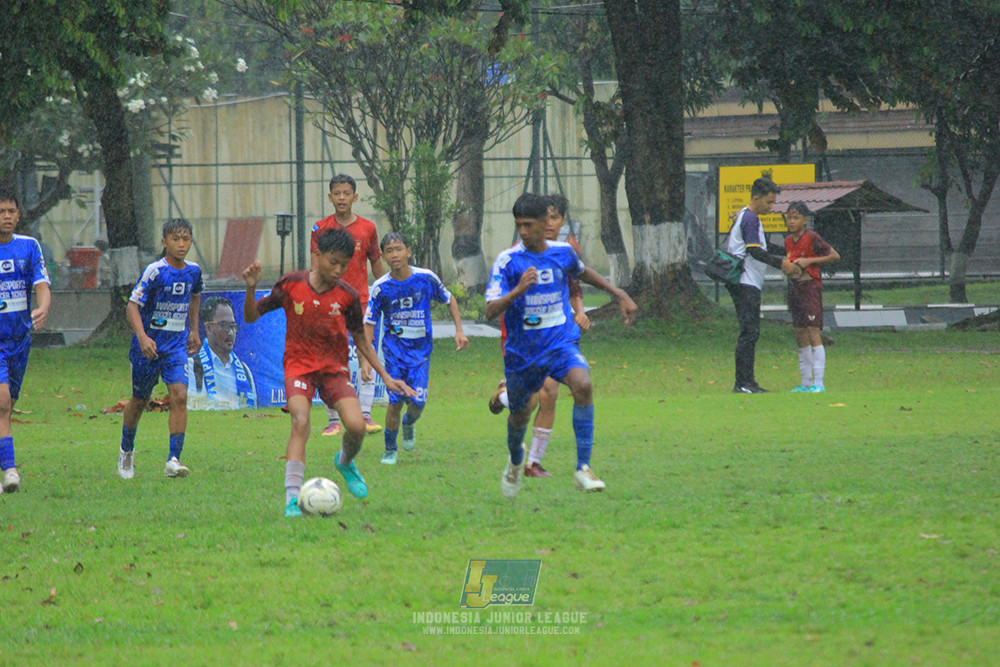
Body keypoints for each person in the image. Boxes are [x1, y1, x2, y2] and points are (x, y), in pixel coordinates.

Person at [242, 228, 414, 517]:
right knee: (300, 420)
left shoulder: (347, 296)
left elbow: (362, 340)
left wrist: (386, 377)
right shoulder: (291, 284)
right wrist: (250, 288)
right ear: (318, 255)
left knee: (357, 427)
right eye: (333, 262)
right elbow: (250, 316)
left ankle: (344, 462)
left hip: (334, 369)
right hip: (299, 367)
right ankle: (292, 498)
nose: (338, 270)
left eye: (344, 265)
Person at [485, 193, 637, 498]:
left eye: (529, 225)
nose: (523, 232)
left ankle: (583, 469)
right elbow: (489, 310)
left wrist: (618, 293)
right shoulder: (507, 261)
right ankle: (515, 460)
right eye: (519, 225)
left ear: (545, 222)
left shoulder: (563, 253)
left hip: (559, 343)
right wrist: (517, 291)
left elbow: (582, 273)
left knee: (583, 384)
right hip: (523, 354)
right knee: (520, 415)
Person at [488, 194, 590, 478]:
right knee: (532, 401)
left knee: (551, 393)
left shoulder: (564, 252)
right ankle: (507, 398)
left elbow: (574, 285)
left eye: (556, 218)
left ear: (561, 221)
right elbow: (496, 305)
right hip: (523, 342)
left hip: (555, 338)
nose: (550, 224)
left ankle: (533, 461)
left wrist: (580, 312)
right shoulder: (517, 256)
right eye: (548, 218)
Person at [365, 232, 468, 465]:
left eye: (398, 249)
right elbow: (369, 324)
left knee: (418, 403)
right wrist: (365, 359)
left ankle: (409, 423)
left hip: (420, 355)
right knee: (395, 402)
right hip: (394, 354)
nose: (394, 255)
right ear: (383, 257)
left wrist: (459, 330)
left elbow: (449, 299)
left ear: (408, 252)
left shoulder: (425, 278)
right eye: (389, 251)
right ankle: (390, 449)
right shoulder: (381, 288)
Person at [118, 218, 202, 479]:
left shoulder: (194, 271)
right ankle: (126, 449)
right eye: (175, 239)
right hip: (149, 347)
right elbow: (132, 305)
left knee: (179, 396)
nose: (181, 244)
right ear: (164, 242)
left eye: (186, 239)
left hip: (175, 346)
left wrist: (194, 329)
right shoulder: (155, 271)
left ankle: (173, 460)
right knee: (139, 400)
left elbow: (195, 295)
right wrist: (142, 337)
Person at [310, 174, 388, 436]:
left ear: (355, 197)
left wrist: (387, 290)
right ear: (329, 197)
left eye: (346, 193)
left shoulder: (367, 228)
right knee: (330, 358)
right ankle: (333, 420)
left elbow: (376, 265)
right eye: (337, 193)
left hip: (361, 302)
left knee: (367, 353)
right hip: (330, 303)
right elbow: (315, 268)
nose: (341, 198)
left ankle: (365, 414)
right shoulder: (320, 228)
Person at [726, 177, 799, 393]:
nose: (771, 207)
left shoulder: (745, 215)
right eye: (769, 202)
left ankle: (748, 382)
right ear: (756, 198)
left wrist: (789, 252)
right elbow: (755, 251)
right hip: (745, 281)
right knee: (749, 332)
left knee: (750, 332)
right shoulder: (750, 219)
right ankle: (743, 383)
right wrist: (782, 264)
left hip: (746, 282)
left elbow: (763, 247)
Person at [0, 189, 51, 494]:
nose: (6, 217)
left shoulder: (29, 247)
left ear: (18, 215)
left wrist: (43, 308)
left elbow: (41, 283)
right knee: (2, 403)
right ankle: (10, 472)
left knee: (8, 406)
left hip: (20, 340)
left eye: (10, 211)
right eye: (0, 212)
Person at [783, 201, 840, 393]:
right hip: (796, 288)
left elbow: (834, 255)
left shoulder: (812, 237)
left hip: (810, 288)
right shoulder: (788, 241)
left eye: (796, 217)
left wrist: (809, 261)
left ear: (805, 220)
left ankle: (819, 383)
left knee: (813, 331)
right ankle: (805, 382)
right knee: (800, 332)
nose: (792, 221)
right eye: (789, 217)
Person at [186, 295, 257, 410]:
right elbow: (192, 409)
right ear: (208, 328)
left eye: (233, 326)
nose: (231, 333)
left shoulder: (244, 371)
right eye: (224, 326)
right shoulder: (192, 367)